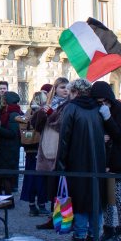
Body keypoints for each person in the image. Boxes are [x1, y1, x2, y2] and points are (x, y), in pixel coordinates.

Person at [56, 79, 107, 241]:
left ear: (75, 92)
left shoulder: (71, 108)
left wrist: (61, 164)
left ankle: (79, 237)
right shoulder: (98, 108)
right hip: (98, 160)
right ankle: (93, 237)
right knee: (95, 198)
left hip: (76, 160)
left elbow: (64, 139)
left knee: (79, 198)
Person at [91, 81, 121, 241]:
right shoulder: (95, 108)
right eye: (99, 101)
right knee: (105, 198)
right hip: (103, 158)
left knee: (117, 196)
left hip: (117, 158)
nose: (102, 104)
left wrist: (108, 117)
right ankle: (107, 229)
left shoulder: (118, 108)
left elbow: (120, 133)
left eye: (104, 100)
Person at [36, 78, 69, 230]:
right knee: (50, 186)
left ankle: (61, 219)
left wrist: (51, 113)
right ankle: (53, 217)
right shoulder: (49, 103)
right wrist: (40, 114)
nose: (65, 90)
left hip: (60, 149)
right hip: (46, 147)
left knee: (60, 185)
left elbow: (62, 126)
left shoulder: (68, 105)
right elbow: (37, 125)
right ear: (55, 89)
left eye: (67, 88)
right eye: (62, 87)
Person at [20, 91, 50, 215]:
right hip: (40, 149)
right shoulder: (43, 112)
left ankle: (32, 205)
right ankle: (41, 205)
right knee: (40, 179)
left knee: (30, 178)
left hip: (29, 150)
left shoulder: (28, 112)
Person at [0, 91, 23, 195]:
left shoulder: (13, 114)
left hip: (9, 151)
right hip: (4, 149)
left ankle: (8, 204)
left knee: (6, 177)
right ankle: (1, 203)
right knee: (0, 176)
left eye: (3, 100)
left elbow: (12, 133)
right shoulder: (6, 113)